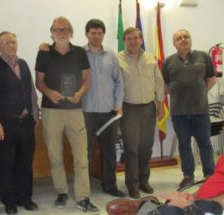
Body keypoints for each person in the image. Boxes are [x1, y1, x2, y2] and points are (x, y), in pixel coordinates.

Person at [35, 16, 99, 213]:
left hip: (75, 111)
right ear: (52, 32)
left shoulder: (80, 52)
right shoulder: (44, 52)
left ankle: (83, 197)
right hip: (50, 111)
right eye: (57, 29)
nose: (61, 32)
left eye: (64, 29)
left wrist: (79, 93)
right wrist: (48, 92)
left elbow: (87, 79)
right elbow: (39, 81)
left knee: (81, 156)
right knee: (55, 156)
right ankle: (61, 192)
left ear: (71, 32)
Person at [0, 31, 39, 214]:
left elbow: (30, 91)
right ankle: (9, 202)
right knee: (6, 163)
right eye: (6, 43)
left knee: (25, 162)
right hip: (5, 124)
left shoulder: (23, 63)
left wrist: (35, 114)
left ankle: (25, 198)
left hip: (26, 122)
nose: (11, 45)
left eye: (13, 42)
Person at [162, 29, 216, 190]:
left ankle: (209, 175)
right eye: (179, 38)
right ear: (174, 44)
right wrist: (180, 94)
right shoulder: (168, 62)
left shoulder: (203, 57)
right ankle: (188, 176)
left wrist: (199, 93)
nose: (183, 40)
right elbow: (165, 85)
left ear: (191, 40)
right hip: (179, 112)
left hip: (200, 110)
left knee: (205, 143)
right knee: (184, 145)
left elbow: (211, 79)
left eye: (186, 37)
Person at [117, 27, 164, 199]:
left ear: (141, 39)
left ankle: (144, 181)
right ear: (124, 41)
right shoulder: (118, 58)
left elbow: (159, 81)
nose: (132, 41)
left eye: (135, 38)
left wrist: (160, 105)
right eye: (128, 39)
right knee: (131, 148)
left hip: (148, 109)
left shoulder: (150, 57)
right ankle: (132, 184)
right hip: (129, 108)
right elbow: (116, 83)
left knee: (146, 147)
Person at [82, 19, 125, 197]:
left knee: (109, 151)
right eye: (93, 32)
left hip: (109, 113)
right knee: (84, 151)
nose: (96, 36)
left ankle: (110, 185)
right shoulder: (79, 54)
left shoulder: (111, 56)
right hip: (86, 112)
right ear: (87, 34)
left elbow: (119, 82)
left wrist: (118, 105)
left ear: (103, 34)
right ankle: (84, 188)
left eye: (100, 33)